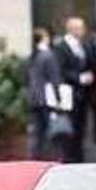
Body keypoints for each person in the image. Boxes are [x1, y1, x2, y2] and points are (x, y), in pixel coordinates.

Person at [53, 16, 96, 163]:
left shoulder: (84, 46)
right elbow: (61, 70)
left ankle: (79, 157)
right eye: (80, 28)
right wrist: (79, 78)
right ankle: (69, 158)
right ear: (71, 29)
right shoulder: (61, 47)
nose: (83, 31)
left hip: (83, 95)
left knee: (80, 128)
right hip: (69, 95)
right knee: (70, 129)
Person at [24, 27, 61, 160]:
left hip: (34, 98)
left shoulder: (32, 56)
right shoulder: (48, 55)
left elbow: (26, 79)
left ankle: (34, 157)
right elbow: (54, 78)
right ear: (44, 39)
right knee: (49, 131)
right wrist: (58, 98)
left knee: (36, 132)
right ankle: (49, 157)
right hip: (47, 99)